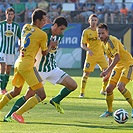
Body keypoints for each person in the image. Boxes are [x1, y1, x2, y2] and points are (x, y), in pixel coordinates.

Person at [3, 16, 77, 122]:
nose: (62, 32)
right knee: (29, 95)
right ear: (55, 25)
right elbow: (42, 50)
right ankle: (9, 115)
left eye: (63, 29)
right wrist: (50, 46)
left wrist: (52, 46)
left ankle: (56, 100)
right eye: (61, 29)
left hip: (52, 68)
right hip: (39, 69)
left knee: (73, 85)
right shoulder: (43, 33)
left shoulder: (60, 35)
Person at [0, 8, 57, 123]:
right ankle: (18, 114)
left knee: (15, 92)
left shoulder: (25, 27)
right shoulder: (42, 34)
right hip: (27, 65)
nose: (45, 22)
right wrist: (51, 45)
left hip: (19, 61)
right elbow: (45, 52)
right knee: (41, 94)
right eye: (43, 20)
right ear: (37, 21)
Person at [97, 23, 133, 118]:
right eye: (99, 33)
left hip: (128, 64)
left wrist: (106, 71)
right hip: (118, 66)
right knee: (109, 89)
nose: (100, 36)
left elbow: (117, 58)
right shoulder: (103, 44)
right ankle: (109, 111)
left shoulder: (111, 41)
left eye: (102, 33)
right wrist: (108, 74)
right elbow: (110, 58)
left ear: (107, 32)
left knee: (120, 87)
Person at [79, 14, 109, 98]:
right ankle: (82, 92)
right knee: (86, 74)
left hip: (101, 55)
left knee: (107, 72)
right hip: (91, 56)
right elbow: (82, 44)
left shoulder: (99, 31)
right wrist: (88, 50)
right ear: (89, 21)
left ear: (97, 21)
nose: (94, 22)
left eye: (95, 20)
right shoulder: (86, 31)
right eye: (92, 20)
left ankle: (103, 90)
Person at [0, 7, 21, 94]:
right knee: (3, 67)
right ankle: (2, 89)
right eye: (9, 14)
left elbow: (20, 38)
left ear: (14, 15)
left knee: (8, 70)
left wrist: (20, 45)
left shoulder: (16, 26)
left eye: (12, 14)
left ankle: (4, 87)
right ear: (6, 14)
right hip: (2, 50)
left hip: (11, 51)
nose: (10, 16)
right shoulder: (1, 25)